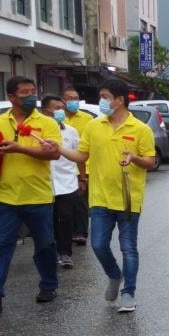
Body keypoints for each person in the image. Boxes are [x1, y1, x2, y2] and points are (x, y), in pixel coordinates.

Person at [58, 78, 156, 313]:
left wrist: (134, 158)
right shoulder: (94, 126)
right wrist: (58, 149)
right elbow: (81, 156)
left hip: (128, 199)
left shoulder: (140, 129)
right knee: (99, 245)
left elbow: (151, 162)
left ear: (119, 100)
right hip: (100, 198)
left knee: (128, 248)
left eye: (105, 96)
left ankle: (128, 292)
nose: (101, 101)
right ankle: (114, 274)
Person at [0, 77, 62, 312]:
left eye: (34, 91)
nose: (31, 96)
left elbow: (53, 155)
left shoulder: (47, 123)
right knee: (0, 245)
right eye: (25, 92)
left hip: (38, 195)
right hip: (4, 195)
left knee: (45, 245)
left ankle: (49, 285)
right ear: (12, 97)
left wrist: (20, 148)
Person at [41, 95, 81, 269]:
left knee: (65, 218)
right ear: (45, 111)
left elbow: (79, 156)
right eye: (56, 108)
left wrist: (82, 177)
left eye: (61, 108)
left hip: (67, 182)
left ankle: (65, 253)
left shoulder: (71, 131)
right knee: (48, 220)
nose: (60, 111)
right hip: (44, 183)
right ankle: (50, 253)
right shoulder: (38, 131)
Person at [62, 85, 92, 246]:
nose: (74, 101)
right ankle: (67, 231)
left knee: (80, 201)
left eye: (76, 98)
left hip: (83, 166)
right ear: (63, 101)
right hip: (62, 167)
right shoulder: (58, 118)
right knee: (66, 202)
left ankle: (81, 232)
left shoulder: (87, 119)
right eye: (70, 99)